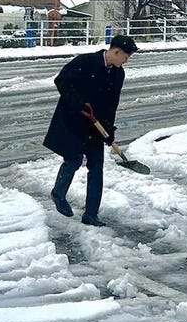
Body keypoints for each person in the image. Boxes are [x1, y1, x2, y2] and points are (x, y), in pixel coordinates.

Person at [43, 34, 138, 226]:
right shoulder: (85, 62)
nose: (126, 61)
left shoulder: (118, 74)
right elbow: (61, 81)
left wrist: (109, 130)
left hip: (96, 126)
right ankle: (58, 194)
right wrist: (77, 103)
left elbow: (112, 104)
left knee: (96, 167)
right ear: (116, 52)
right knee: (73, 160)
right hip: (74, 121)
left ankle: (91, 215)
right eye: (126, 57)